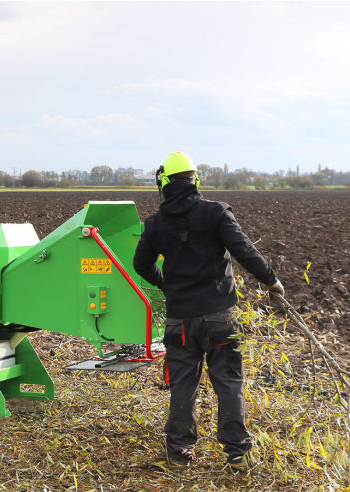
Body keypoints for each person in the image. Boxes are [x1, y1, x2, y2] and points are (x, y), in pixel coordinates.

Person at [132, 152, 284, 469]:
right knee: (228, 382)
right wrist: (271, 281)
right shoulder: (215, 213)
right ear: (195, 179)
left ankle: (178, 454)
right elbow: (243, 249)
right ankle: (238, 454)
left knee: (183, 385)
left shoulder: (155, 225)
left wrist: (165, 285)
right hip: (220, 318)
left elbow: (140, 264)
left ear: (162, 183)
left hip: (179, 322)